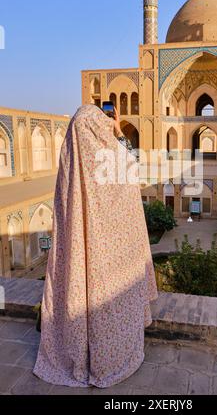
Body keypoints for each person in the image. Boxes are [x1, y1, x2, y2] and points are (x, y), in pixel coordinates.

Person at [33, 103, 158, 388]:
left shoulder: (71, 163)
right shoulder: (116, 159)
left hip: (82, 253)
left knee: (83, 299)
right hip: (114, 259)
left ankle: (82, 356)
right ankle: (110, 361)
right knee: (111, 305)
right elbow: (132, 164)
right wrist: (118, 131)